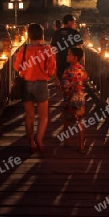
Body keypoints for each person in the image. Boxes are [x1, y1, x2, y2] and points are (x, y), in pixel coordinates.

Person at [14, 23, 56, 155]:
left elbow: (17, 67)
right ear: (42, 35)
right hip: (41, 84)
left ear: (29, 35)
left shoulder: (23, 49)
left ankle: (31, 143)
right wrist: (47, 75)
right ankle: (39, 138)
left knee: (29, 116)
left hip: (26, 84)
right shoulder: (46, 49)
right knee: (43, 117)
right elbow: (52, 68)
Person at [60, 47, 88, 154]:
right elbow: (86, 78)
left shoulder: (68, 70)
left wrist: (64, 89)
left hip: (70, 98)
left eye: (69, 54)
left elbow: (64, 85)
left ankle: (67, 140)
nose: (67, 56)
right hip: (80, 97)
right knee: (81, 120)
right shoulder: (82, 68)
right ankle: (81, 145)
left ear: (75, 58)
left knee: (67, 118)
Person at [50, 14, 83, 81]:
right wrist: (82, 62)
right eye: (74, 21)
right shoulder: (75, 33)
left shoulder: (57, 33)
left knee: (61, 80)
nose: (74, 23)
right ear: (69, 22)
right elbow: (80, 48)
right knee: (73, 81)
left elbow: (52, 48)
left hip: (60, 61)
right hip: (73, 61)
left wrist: (54, 62)